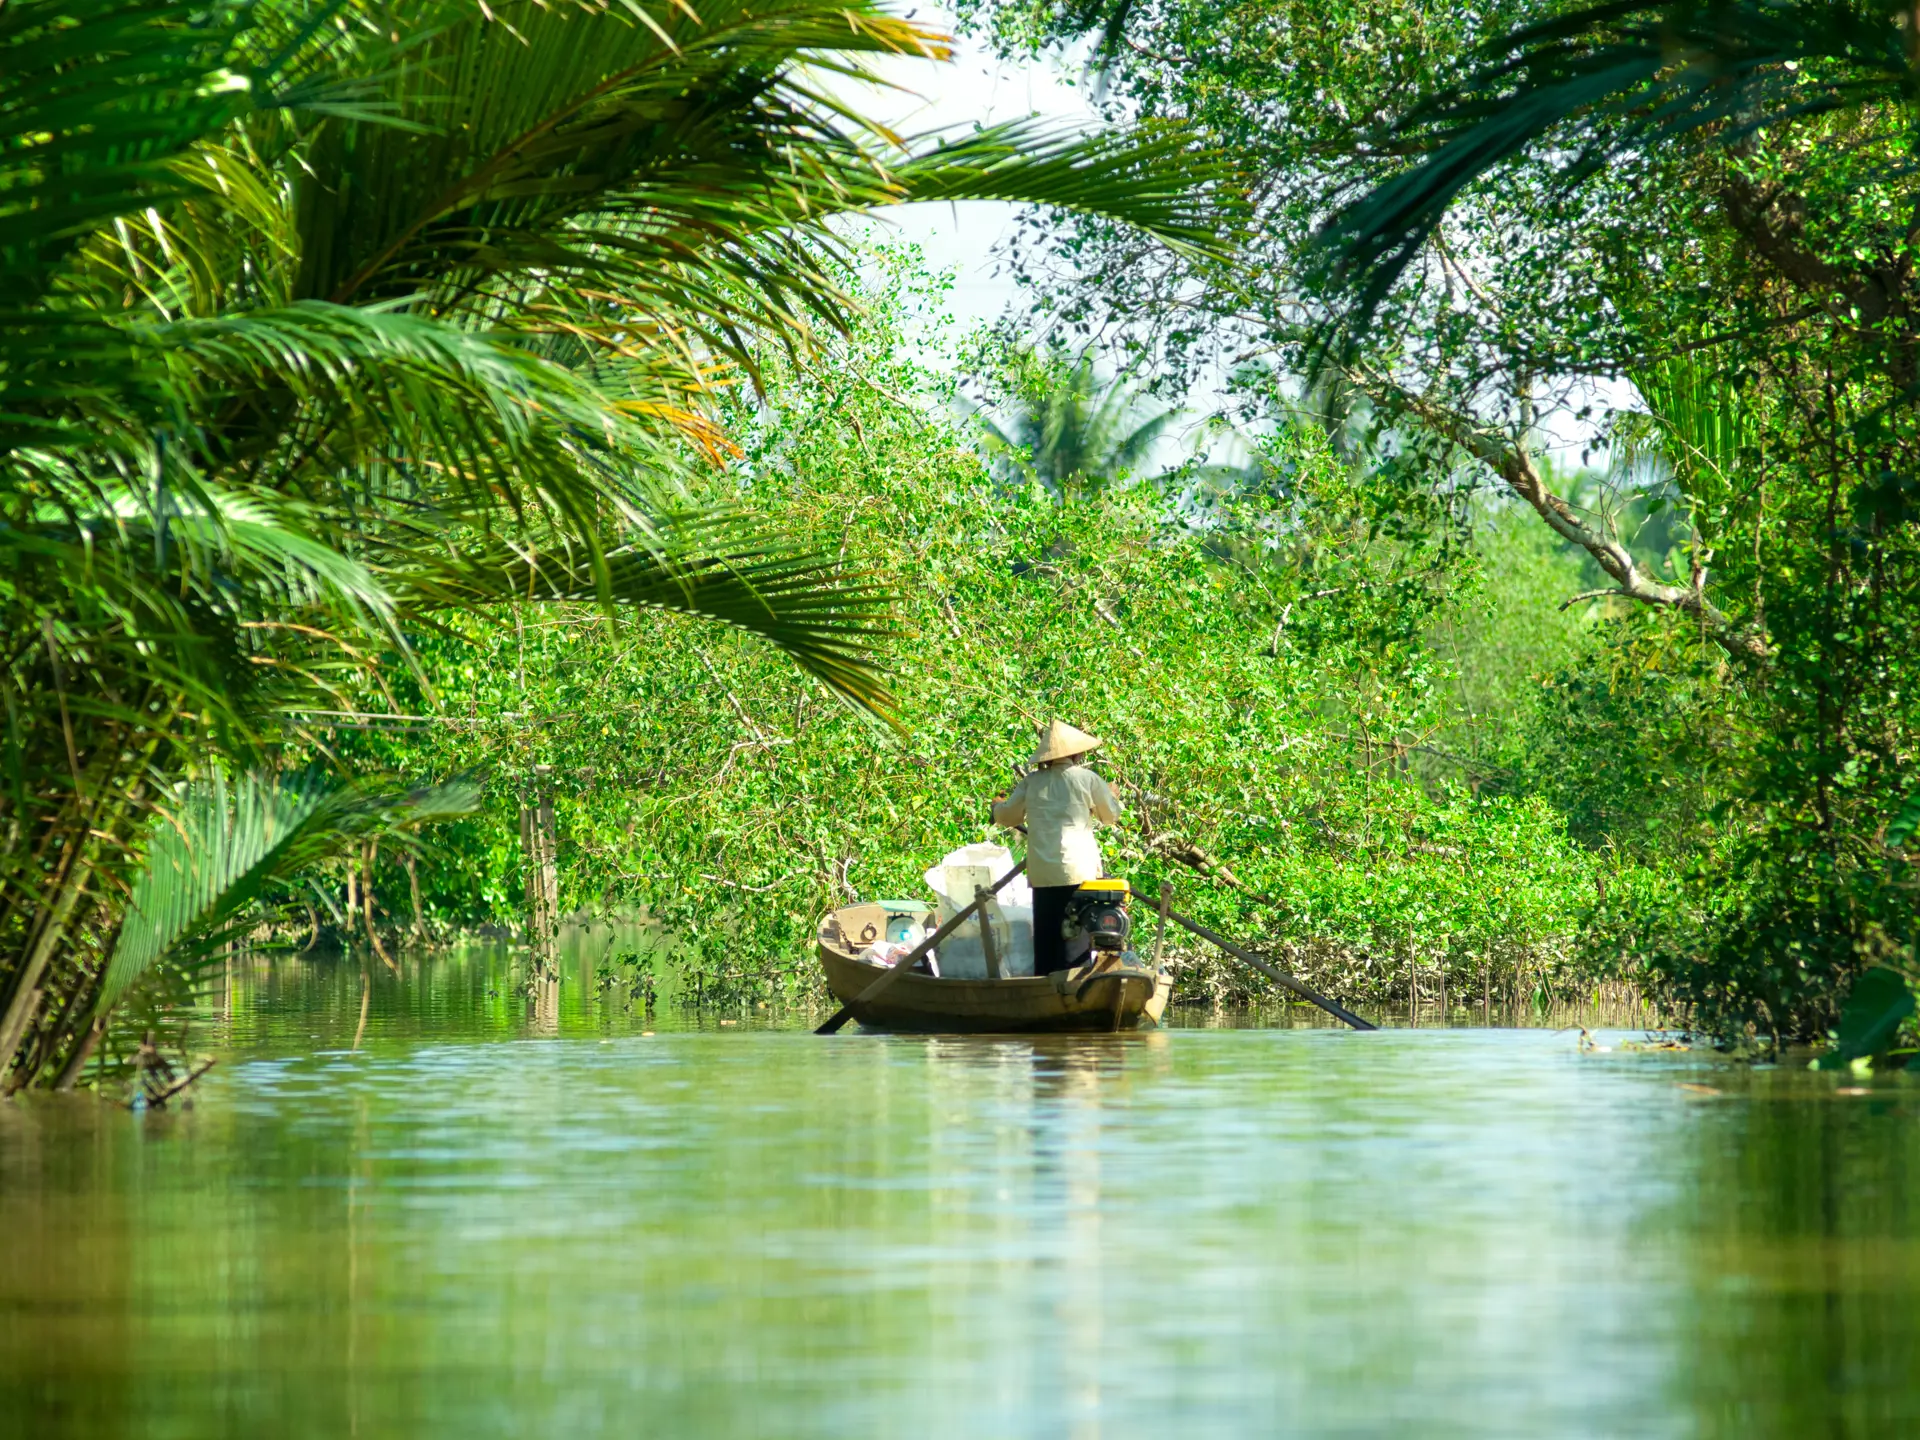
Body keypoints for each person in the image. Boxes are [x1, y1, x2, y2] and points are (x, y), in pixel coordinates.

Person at [990, 719, 1120, 976]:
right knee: (1075, 937)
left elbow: (1008, 817)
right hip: (1079, 873)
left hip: (1044, 873)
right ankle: (1074, 988)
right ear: (1076, 754)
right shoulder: (1088, 779)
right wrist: (1112, 796)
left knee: (1048, 940)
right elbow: (1110, 816)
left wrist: (996, 806)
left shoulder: (1033, 782)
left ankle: (1045, 987)